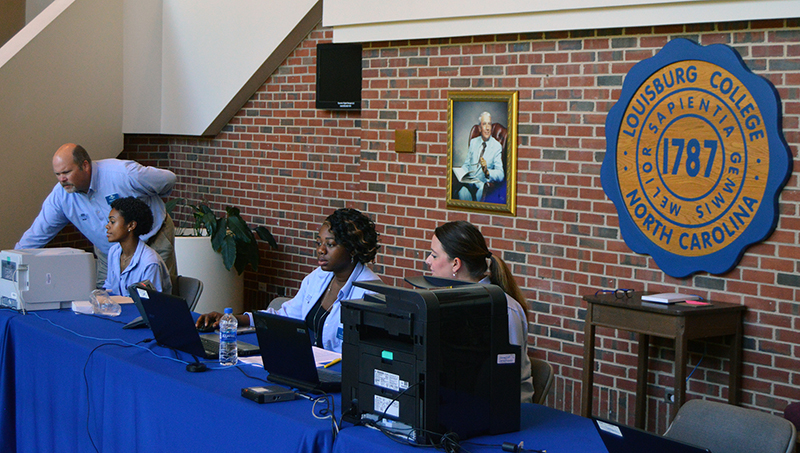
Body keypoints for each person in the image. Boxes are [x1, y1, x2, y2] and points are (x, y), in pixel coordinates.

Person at [196, 208, 381, 353]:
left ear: (353, 249)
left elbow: (367, 353)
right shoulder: (319, 276)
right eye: (319, 243)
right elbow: (285, 317)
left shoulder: (370, 292)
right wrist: (232, 319)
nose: (321, 250)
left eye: (330, 245)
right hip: (311, 365)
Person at [15, 143, 178, 289]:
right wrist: (12, 261)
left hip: (153, 238)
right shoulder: (61, 196)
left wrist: (147, 201)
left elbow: (169, 179)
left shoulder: (123, 173)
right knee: (104, 298)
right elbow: (37, 234)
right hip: (110, 252)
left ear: (85, 166)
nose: (62, 180)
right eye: (57, 174)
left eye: (66, 172)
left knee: (156, 300)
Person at [425, 220, 534, 403]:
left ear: (456, 264)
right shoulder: (453, 300)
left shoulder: (504, 310)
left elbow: (505, 373)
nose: (427, 261)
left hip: (503, 410)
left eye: (434, 256)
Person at [103, 197, 171, 296]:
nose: (107, 226)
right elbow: (109, 288)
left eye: (112, 222)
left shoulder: (150, 263)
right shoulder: (114, 252)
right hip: (118, 309)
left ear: (131, 226)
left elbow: (152, 303)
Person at [457, 112, 504, 202]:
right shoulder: (473, 142)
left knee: (481, 192)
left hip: (483, 186)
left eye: (489, 124)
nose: (487, 128)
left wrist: (487, 172)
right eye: (484, 124)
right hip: (470, 184)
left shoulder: (496, 146)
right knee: (462, 192)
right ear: (479, 128)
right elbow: (466, 164)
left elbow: (501, 174)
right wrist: (461, 174)